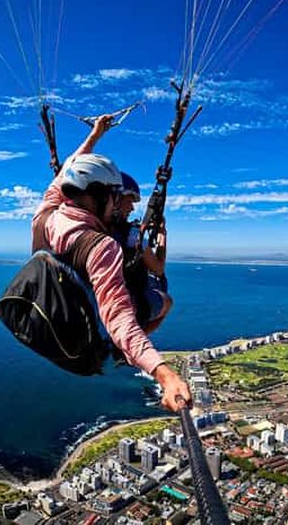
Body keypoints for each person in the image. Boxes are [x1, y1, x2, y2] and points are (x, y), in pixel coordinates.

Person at [31, 115, 191, 413]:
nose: (118, 205)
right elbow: (118, 318)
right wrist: (165, 375)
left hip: (53, 318)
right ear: (99, 195)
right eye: (115, 197)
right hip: (90, 331)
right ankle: (121, 352)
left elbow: (69, 170)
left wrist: (95, 136)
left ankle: (123, 348)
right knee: (165, 302)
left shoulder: (45, 216)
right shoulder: (100, 247)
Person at [114, 172, 174, 335]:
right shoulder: (132, 236)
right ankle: (133, 339)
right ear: (116, 199)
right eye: (129, 201)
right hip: (123, 297)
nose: (132, 208)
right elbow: (158, 269)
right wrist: (162, 235)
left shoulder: (93, 227)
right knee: (167, 300)